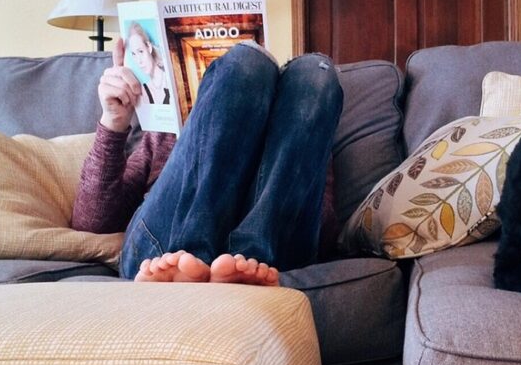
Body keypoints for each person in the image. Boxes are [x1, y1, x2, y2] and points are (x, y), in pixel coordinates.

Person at [71, 39, 343, 285]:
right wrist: (114, 121)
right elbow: (93, 222)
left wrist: (284, 157)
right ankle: (189, 256)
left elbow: (325, 231)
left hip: (270, 251)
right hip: (161, 252)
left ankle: (246, 262)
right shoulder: (164, 132)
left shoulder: (303, 123)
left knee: (316, 73)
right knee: (247, 62)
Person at [126, 22, 171, 105]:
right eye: (134, 54)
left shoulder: (170, 79)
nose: (139, 61)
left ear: (149, 47)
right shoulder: (144, 90)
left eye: (140, 51)